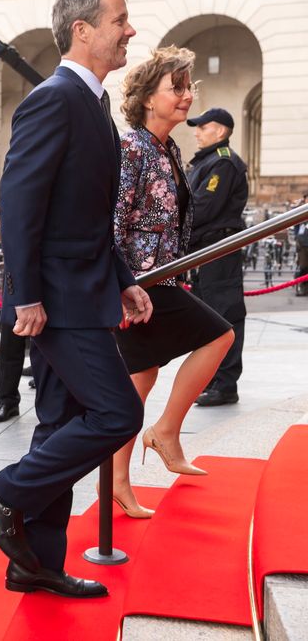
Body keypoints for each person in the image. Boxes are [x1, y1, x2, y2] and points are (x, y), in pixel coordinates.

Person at [0, 0, 152, 599]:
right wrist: (25, 297)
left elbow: (87, 215)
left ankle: (35, 563)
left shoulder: (90, 101)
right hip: (59, 301)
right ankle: (4, 494)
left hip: (83, 289)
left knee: (59, 423)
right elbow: (20, 204)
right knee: (118, 412)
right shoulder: (56, 99)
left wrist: (123, 281)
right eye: (120, 20)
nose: (129, 30)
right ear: (82, 30)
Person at [109, 47, 235, 518]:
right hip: (141, 285)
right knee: (220, 334)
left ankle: (119, 482)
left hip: (161, 281)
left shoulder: (169, 148)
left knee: (138, 381)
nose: (187, 97)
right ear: (146, 99)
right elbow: (112, 224)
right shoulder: (132, 148)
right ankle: (163, 433)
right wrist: (120, 290)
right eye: (176, 88)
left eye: (189, 87)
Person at [185, 107, 249, 407]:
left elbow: (202, 207)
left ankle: (224, 384)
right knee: (208, 314)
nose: (197, 132)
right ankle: (213, 380)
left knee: (224, 312)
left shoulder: (223, 163)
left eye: (203, 127)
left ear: (220, 131)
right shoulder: (207, 161)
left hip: (219, 248)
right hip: (205, 250)